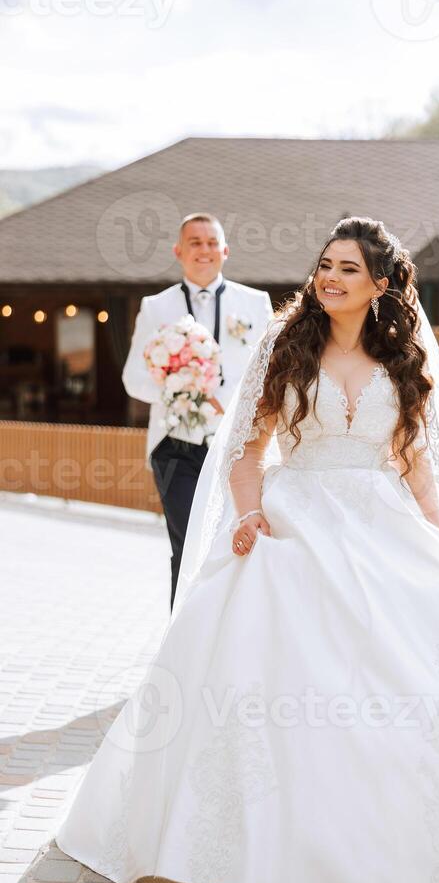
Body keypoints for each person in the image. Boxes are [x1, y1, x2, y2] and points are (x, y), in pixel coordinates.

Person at [55, 217, 439, 883]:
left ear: (380, 283)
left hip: (382, 522)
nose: (330, 277)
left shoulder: (402, 359)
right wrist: (252, 514)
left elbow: (414, 464)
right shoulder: (285, 345)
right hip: (295, 518)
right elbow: (246, 454)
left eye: (348, 269)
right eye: (326, 264)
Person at [122, 212, 273, 607]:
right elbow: (133, 379)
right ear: (178, 251)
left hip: (241, 446)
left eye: (211, 243)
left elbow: (272, 373)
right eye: (195, 242)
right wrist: (180, 385)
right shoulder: (155, 307)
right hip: (176, 446)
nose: (203, 250)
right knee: (189, 542)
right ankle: (182, 640)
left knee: (241, 538)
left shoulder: (255, 304)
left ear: (225, 250)